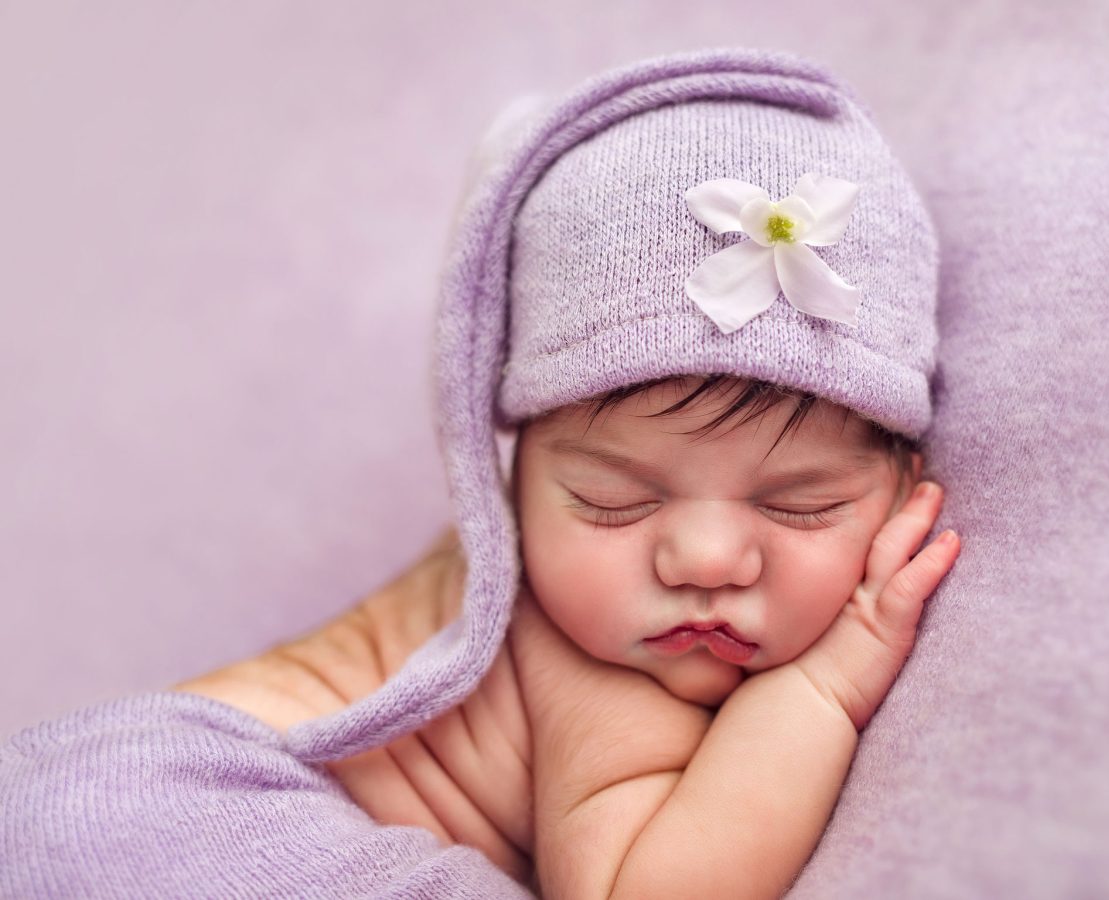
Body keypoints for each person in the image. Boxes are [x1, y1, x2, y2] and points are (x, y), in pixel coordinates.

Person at [1, 48, 959, 899]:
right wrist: (823, 688)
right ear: (506, 477)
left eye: (802, 506)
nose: (704, 558)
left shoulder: (603, 599)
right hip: (175, 812)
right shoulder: (596, 668)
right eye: (611, 502)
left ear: (903, 478)